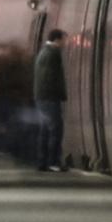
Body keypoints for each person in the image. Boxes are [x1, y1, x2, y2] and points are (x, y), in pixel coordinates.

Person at [32, 29, 68, 171]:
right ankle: (53, 162)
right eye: (64, 39)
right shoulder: (53, 54)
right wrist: (60, 95)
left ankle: (43, 162)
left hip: (42, 98)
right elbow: (52, 78)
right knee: (56, 129)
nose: (65, 43)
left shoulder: (43, 52)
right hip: (49, 98)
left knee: (45, 130)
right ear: (57, 40)